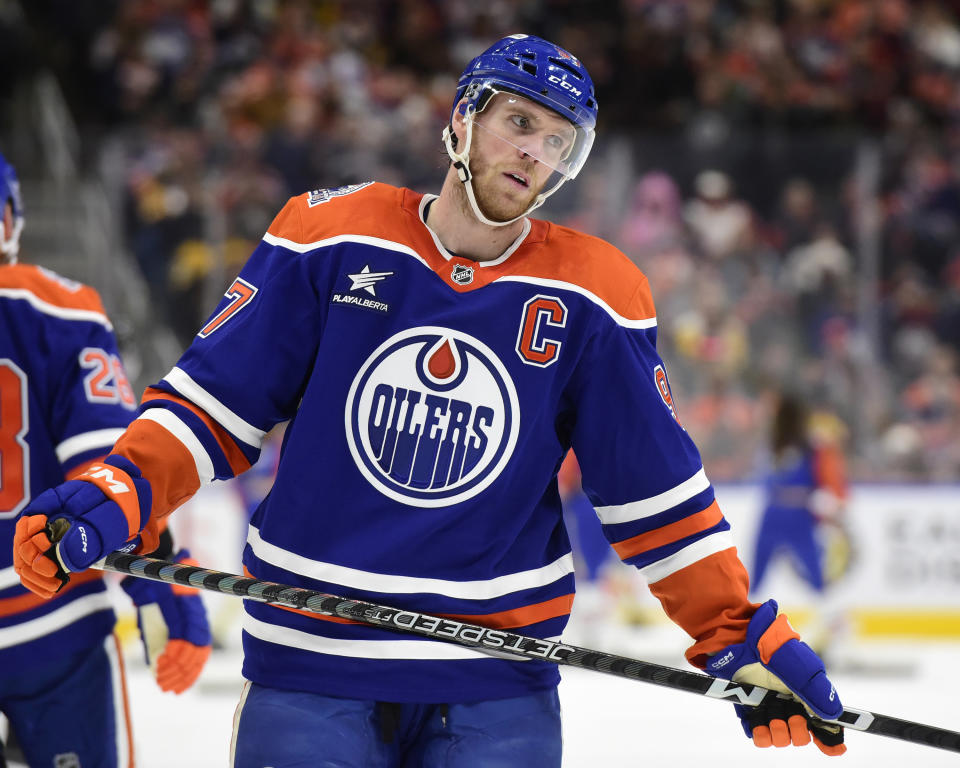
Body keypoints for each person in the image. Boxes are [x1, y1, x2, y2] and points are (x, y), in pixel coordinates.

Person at [14, 36, 845, 766]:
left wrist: (740, 634)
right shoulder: (329, 236)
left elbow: (654, 499)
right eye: (519, 123)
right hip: (312, 664)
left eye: (559, 141)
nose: (535, 154)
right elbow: (210, 409)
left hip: (493, 685)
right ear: (463, 121)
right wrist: (116, 490)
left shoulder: (598, 293)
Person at [0, 152, 212, 767]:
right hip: (52, 617)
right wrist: (162, 585)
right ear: (11, 220)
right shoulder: (58, 307)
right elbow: (109, 481)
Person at [750, 393, 853, 651]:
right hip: (776, 512)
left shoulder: (811, 445)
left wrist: (832, 497)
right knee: (759, 575)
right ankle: (738, 631)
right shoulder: (775, 444)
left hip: (793, 513)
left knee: (814, 574)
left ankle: (835, 627)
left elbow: (829, 474)